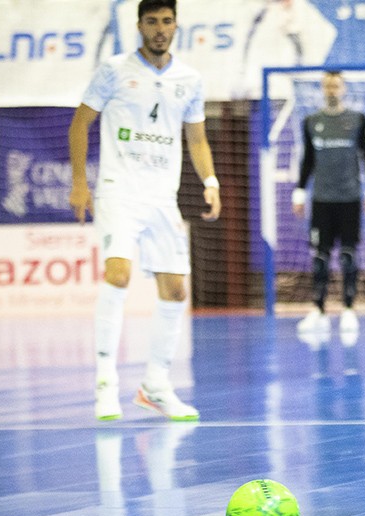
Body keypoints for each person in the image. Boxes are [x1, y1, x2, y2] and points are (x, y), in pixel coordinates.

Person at [68, 0, 221, 422]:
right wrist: (80, 182)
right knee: (118, 274)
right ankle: (104, 383)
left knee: (175, 291)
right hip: (119, 191)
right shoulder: (114, 70)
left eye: (167, 21)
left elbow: (197, 140)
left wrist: (211, 182)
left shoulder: (189, 79)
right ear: (139, 26)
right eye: (152, 21)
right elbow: (80, 124)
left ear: (175, 26)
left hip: (161, 197)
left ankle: (155, 385)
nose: (160, 29)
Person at [292, 71, 365, 334]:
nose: (331, 90)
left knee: (348, 255)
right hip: (321, 199)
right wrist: (299, 191)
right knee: (319, 256)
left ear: (343, 88)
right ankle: (318, 309)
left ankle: (349, 310)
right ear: (322, 88)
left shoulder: (356, 120)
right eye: (327, 85)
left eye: (336, 85)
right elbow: (307, 159)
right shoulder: (311, 121)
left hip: (349, 198)